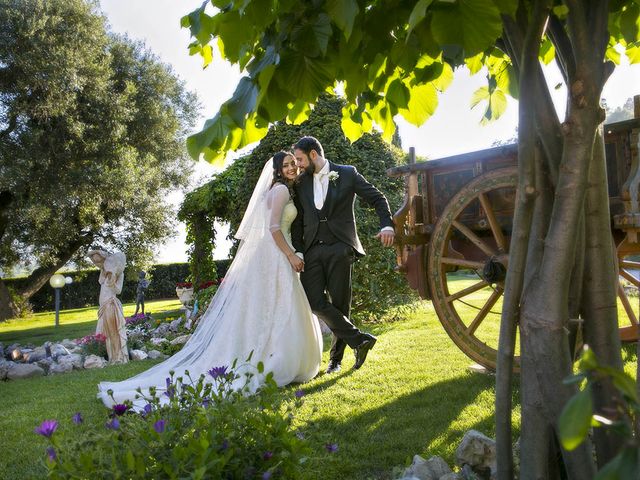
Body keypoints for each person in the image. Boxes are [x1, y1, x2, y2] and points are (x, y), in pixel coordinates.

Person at [97, 152, 322, 408]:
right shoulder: (280, 191)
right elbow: (273, 229)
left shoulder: (277, 189)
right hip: (278, 253)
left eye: (293, 163)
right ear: (277, 170)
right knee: (280, 307)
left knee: (272, 308)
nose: (292, 167)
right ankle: (276, 360)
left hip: (271, 255)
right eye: (286, 165)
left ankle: (272, 355)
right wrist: (291, 255)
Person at [291, 136, 395, 374]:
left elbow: (377, 198)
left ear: (313, 155)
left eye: (299, 159)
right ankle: (360, 340)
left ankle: (335, 361)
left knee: (340, 303)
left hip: (341, 247)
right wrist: (298, 248)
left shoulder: (347, 173)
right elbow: (297, 221)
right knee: (312, 300)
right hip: (312, 250)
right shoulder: (300, 183)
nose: (297, 164)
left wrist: (387, 225)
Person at [88, 249, 129, 364]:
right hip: (103, 307)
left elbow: (118, 290)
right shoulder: (104, 273)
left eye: (100, 262)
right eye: (96, 263)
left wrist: (113, 281)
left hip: (110, 304)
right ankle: (112, 356)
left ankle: (119, 357)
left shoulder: (119, 274)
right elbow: (101, 280)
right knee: (108, 334)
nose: (98, 265)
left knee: (113, 332)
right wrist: (104, 270)